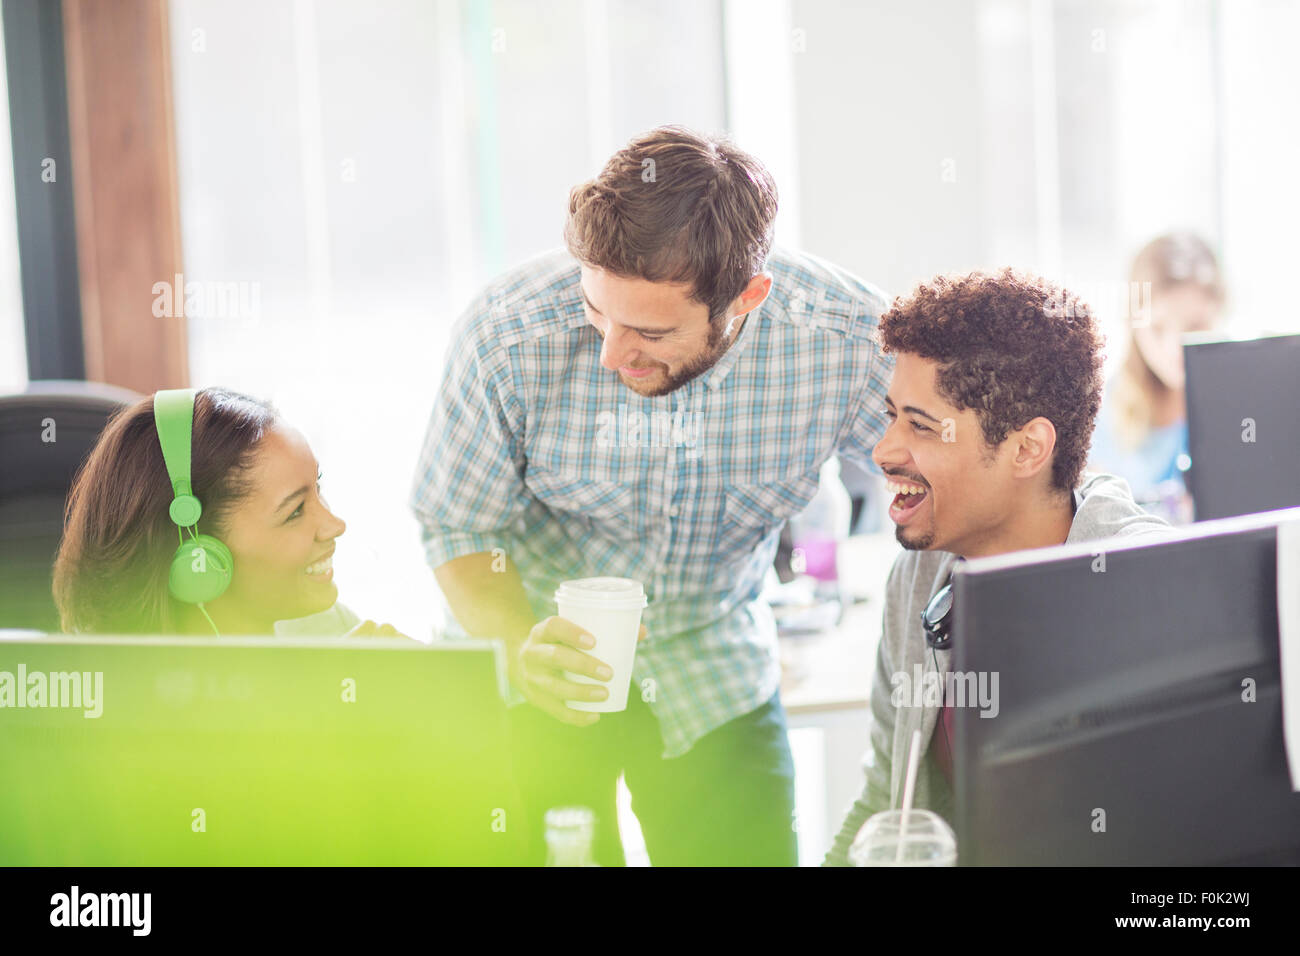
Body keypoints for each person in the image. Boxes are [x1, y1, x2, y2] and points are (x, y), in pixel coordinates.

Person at [411, 125, 894, 866]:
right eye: (595, 310)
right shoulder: (505, 334)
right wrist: (517, 644)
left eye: (648, 331)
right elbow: (455, 525)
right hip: (531, 674)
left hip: (715, 672)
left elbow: (939, 469)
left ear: (748, 297)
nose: (610, 353)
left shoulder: (845, 340)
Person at [823, 269, 1173, 866]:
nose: (881, 450)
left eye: (921, 425)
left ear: (1027, 449)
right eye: (890, 415)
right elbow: (889, 808)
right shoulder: (919, 576)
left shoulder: (1151, 588)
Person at [53, 386, 397, 638]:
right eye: (294, 512)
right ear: (196, 554)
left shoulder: (328, 627)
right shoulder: (116, 705)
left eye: (317, 488)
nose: (335, 525)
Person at [1089, 232, 1226, 521]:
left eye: (1195, 326)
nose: (1174, 347)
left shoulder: (1244, 405)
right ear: (1133, 324)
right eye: (1158, 328)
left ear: (1220, 314)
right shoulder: (1099, 413)